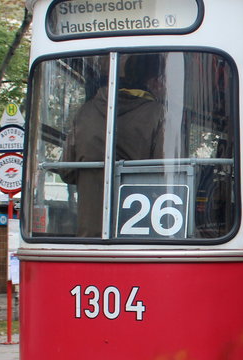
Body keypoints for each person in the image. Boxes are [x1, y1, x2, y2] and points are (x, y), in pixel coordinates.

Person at [62, 54, 167, 237]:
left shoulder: (85, 111)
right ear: (154, 81)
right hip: (140, 232)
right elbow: (165, 176)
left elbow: (66, 171)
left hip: (90, 232)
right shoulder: (159, 114)